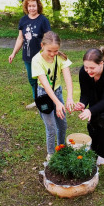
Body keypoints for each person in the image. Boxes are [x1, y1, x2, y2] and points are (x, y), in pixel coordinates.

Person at [32, 31, 75, 161]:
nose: (52, 54)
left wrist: (69, 97)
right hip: (44, 94)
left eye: (55, 51)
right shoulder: (36, 60)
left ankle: (60, 148)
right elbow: (45, 84)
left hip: (57, 92)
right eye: (49, 51)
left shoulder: (60, 57)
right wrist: (57, 103)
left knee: (62, 125)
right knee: (50, 127)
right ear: (42, 45)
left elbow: (68, 78)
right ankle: (51, 154)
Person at [8, 0, 51, 109]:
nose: (31, 8)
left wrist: (48, 53)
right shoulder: (23, 20)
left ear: (38, 6)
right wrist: (13, 53)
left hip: (41, 57)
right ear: (26, 7)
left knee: (43, 80)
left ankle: (47, 100)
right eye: (29, 6)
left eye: (34, 6)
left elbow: (48, 38)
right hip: (27, 57)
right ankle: (37, 101)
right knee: (32, 80)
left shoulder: (43, 20)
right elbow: (20, 38)